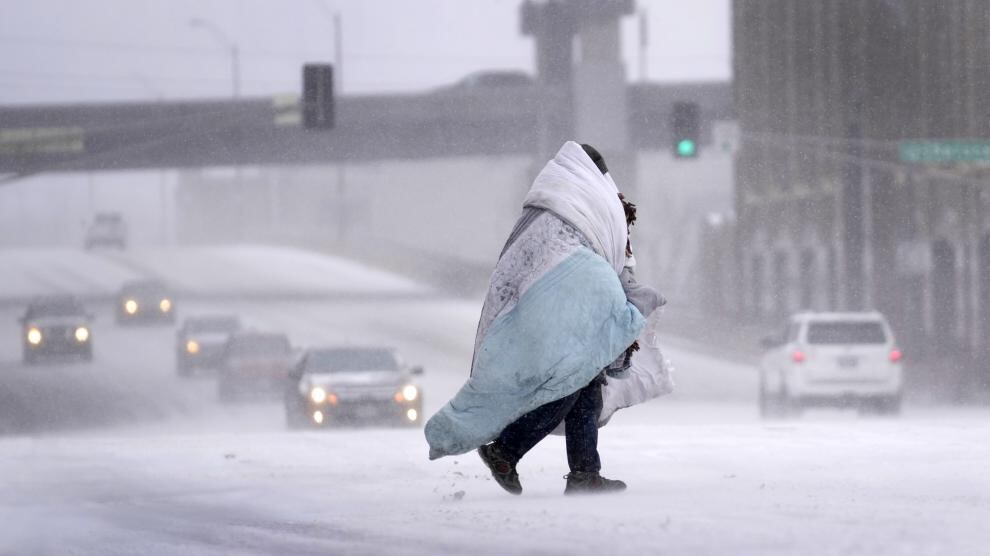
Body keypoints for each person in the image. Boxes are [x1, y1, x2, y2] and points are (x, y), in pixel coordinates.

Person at [424, 141, 663, 495]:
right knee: (569, 382)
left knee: (584, 384)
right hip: (559, 307)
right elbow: (597, 255)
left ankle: (584, 473)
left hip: (544, 307)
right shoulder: (586, 202)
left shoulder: (550, 204)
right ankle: (507, 451)